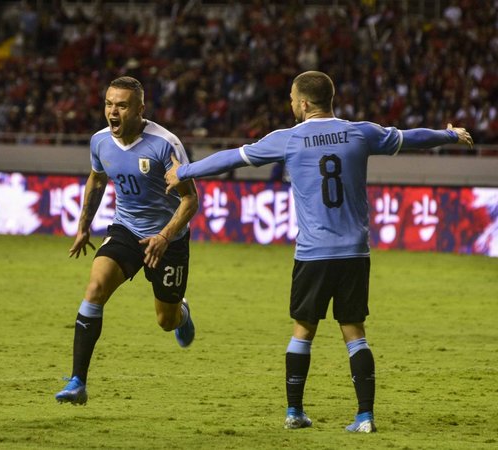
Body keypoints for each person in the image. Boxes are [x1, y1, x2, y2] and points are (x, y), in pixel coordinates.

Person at [165, 71, 473, 432]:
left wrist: (183, 171)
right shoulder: (361, 131)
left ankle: (295, 413)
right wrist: (450, 134)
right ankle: (365, 417)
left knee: (303, 330)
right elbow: (412, 139)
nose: (290, 104)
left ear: (305, 103)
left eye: (293, 98)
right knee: (355, 332)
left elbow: (231, 159)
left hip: (313, 253)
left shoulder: (288, 139)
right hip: (355, 253)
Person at [55, 76, 199, 405]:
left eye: (122, 105)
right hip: (125, 229)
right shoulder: (100, 142)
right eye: (108, 104)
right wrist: (83, 226)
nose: (113, 111)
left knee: (166, 320)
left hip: (168, 240)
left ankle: (183, 315)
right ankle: (77, 381)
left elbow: (191, 200)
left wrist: (165, 236)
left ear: (140, 109)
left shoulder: (165, 144)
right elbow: (97, 177)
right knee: (95, 289)